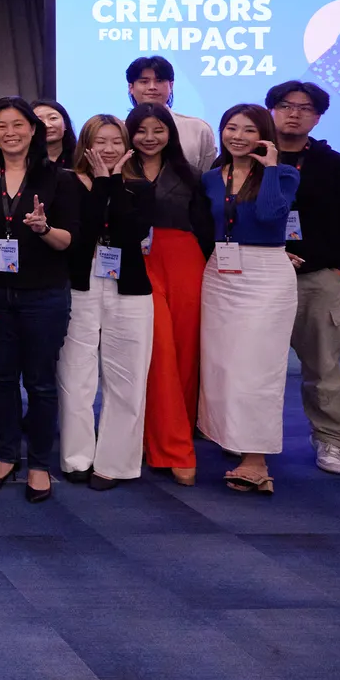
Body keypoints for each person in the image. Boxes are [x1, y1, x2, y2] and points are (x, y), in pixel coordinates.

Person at [0, 97, 79, 503]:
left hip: (44, 293)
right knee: (0, 377)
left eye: (17, 124)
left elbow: (68, 241)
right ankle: (8, 455)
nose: (9, 133)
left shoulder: (60, 179)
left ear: (33, 129)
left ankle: (41, 464)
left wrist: (44, 228)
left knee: (41, 382)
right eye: (0, 126)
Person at [267, 80, 340, 476]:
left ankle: (331, 440)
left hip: (317, 280)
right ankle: (247, 440)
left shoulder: (336, 167)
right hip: (256, 280)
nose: (294, 113)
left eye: (305, 107)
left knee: (323, 367)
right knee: (253, 365)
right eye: (285, 105)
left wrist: (338, 268)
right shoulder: (244, 157)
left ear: (317, 117)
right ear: (271, 110)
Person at [200, 103, 301, 494]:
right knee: (223, 363)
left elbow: (270, 214)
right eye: (230, 128)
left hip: (265, 275)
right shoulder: (211, 178)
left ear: (262, 134)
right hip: (220, 272)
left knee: (258, 367)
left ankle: (256, 461)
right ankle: (231, 439)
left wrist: (271, 168)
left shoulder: (286, 174)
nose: (237, 136)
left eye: (247, 129)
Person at [57, 115, 156, 490]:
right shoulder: (65, 181)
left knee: (127, 376)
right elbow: (85, 232)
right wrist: (100, 184)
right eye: (100, 141)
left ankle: (116, 462)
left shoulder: (141, 187)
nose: (109, 149)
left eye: (116, 141)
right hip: (78, 285)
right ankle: (76, 457)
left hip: (129, 287)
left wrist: (112, 181)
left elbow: (131, 232)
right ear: (85, 144)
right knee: (75, 374)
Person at [125, 101, 214, 484]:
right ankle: (175, 448)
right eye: (141, 130)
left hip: (186, 261)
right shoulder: (117, 171)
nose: (149, 138)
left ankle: (158, 433)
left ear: (170, 134)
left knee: (184, 355)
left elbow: (207, 227)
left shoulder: (192, 175)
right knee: (157, 352)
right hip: (138, 263)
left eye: (157, 130)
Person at [127, 57, 217, 173]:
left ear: (171, 85)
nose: (152, 87)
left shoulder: (198, 129)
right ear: (131, 87)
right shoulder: (119, 129)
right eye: (144, 82)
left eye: (159, 81)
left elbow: (208, 179)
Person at [34, 101, 75, 169]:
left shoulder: (80, 160)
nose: (47, 125)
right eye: (39, 120)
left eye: (53, 118)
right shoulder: (23, 162)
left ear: (65, 124)